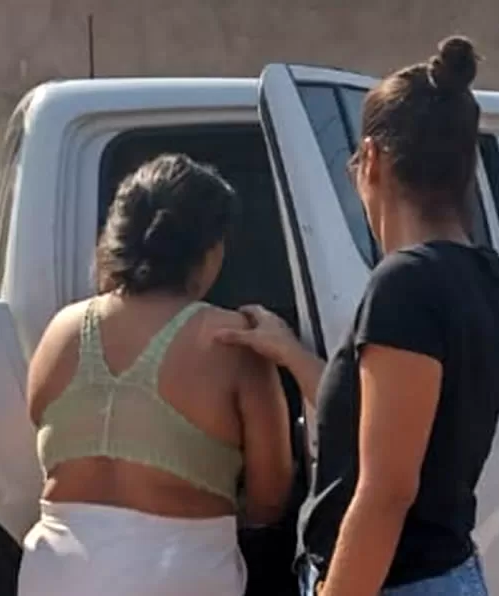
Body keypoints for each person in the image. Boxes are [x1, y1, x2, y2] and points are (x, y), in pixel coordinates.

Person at [217, 36, 499, 595]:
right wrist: (290, 352)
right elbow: (385, 421)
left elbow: (387, 493)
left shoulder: (406, 284)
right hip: (441, 572)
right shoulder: (487, 278)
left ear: (373, 158)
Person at [16, 153, 294, 596]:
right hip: (179, 573)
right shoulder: (233, 340)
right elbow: (270, 497)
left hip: (54, 573)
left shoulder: (62, 331)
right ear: (209, 251)